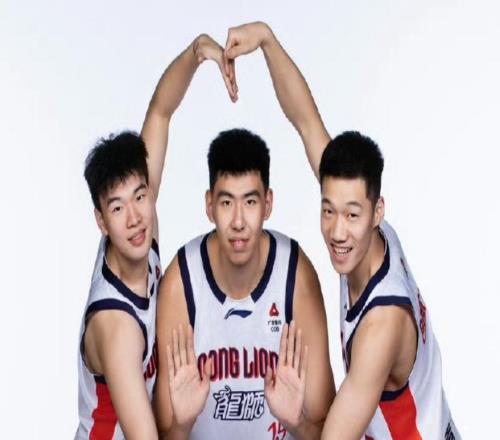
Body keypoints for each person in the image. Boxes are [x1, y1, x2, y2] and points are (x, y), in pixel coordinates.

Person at [223, 22, 460, 440]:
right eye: (327, 211)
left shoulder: (381, 325)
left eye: (351, 215)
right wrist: (267, 41)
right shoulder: (361, 214)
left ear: (377, 211)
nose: (337, 231)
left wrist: (294, 420)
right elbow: (306, 121)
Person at [75, 34, 235, 440]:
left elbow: (161, 112)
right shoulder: (117, 326)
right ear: (101, 221)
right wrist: (182, 423)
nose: (134, 217)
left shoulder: (140, 226)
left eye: (140, 196)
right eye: (117, 208)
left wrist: (197, 52)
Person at [155, 128, 335, 439]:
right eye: (227, 203)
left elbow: (331, 432)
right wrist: (182, 426)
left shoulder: (296, 276)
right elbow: (162, 432)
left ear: (268, 203)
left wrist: (296, 423)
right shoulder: (180, 283)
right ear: (209, 205)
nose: (238, 222)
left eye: (250, 202)